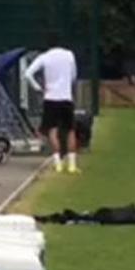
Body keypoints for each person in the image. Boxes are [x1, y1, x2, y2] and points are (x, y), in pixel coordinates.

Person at [25, 40, 80, 174]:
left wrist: (38, 88)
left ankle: (58, 163)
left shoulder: (45, 57)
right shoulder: (69, 55)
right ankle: (72, 165)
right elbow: (74, 75)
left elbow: (28, 74)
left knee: (52, 131)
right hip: (66, 97)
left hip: (50, 98)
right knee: (70, 130)